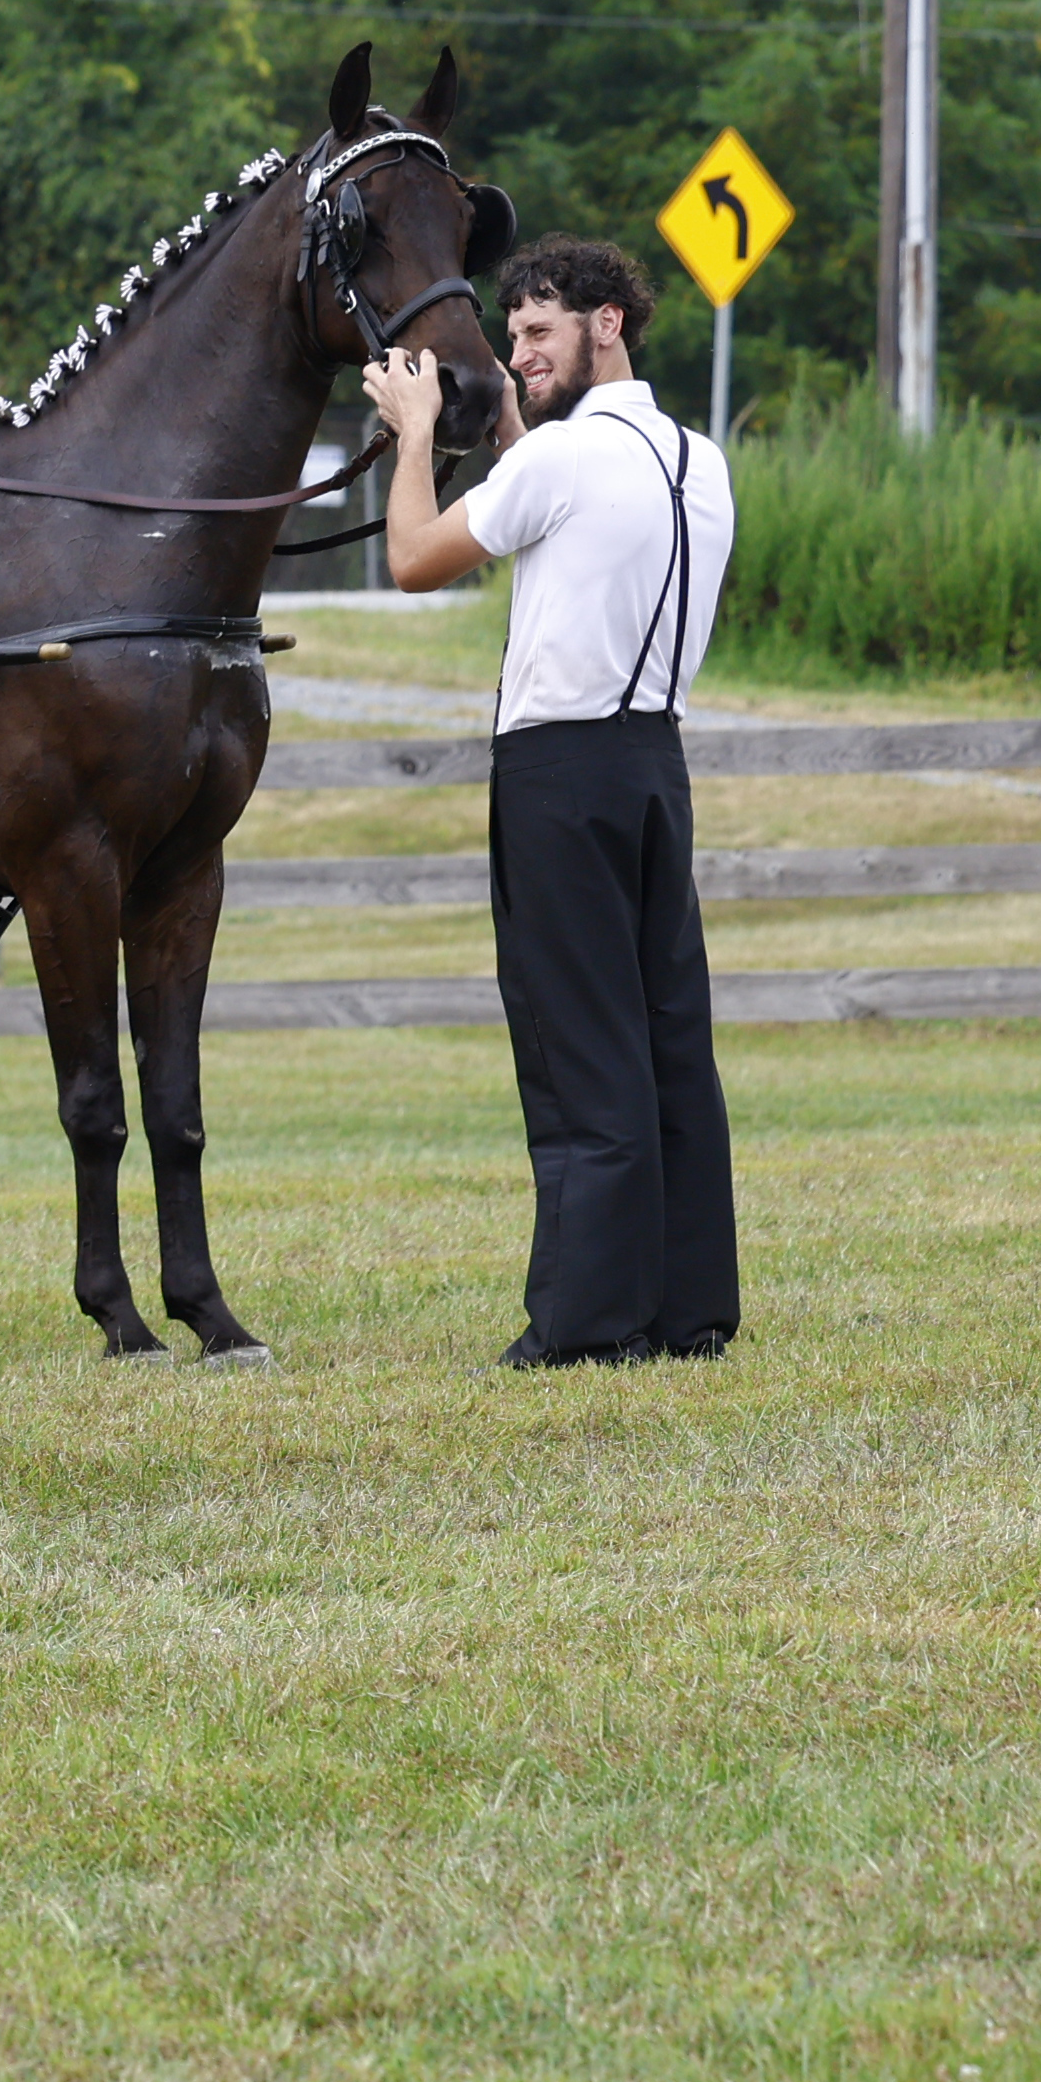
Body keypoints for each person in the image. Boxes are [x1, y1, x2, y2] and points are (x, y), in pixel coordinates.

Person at [368, 236, 739, 1365]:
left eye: (538, 332)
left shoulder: (562, 462)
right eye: (516, 334)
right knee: (669, 1039)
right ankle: (688, 1310)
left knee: (580, 1048)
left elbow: (416, 559)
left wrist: (416, 435)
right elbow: (566, 506)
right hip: (652, 765)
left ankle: (585, 1324)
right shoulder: (696, 458)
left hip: (558, 774)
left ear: (608, 322)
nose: (518, 354)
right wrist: (517, 435)